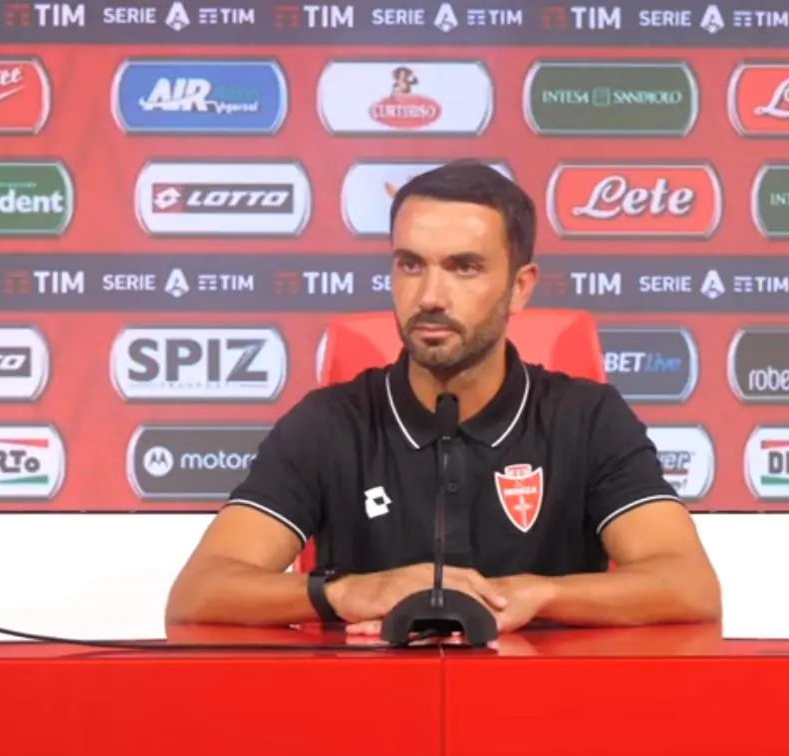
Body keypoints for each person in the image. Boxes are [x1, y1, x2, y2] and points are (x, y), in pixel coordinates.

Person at [166, 161, 721, 634]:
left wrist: (536, 595)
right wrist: (348, 592)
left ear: (520, 287)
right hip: (367, 711)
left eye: (465, 268)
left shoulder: (589, 418)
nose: (430, 296)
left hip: (544, 709)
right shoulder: (329, 422)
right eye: (411, 265)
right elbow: (199, 591)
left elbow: (689, 585)